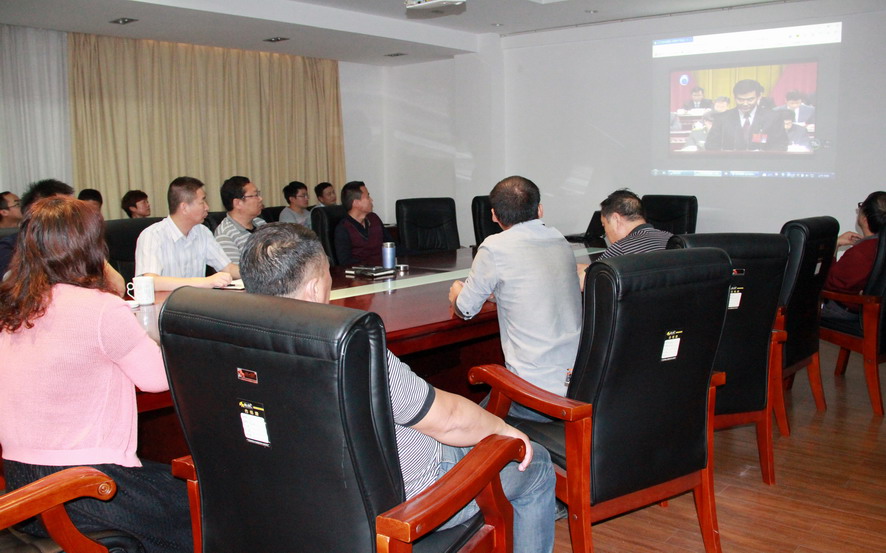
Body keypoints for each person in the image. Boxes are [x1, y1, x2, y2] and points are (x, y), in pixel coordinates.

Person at [240, 223, 556, 553]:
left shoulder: (229, 350)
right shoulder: (350, 352)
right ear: (315, 288)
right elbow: (449, 421)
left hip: (304, 505)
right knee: (536, 464)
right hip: (411, 503)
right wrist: (504, 431)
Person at [0, 196, 191, 553]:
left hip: (22, 488)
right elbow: (158, 379)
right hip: (83, 488)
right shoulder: (101, 309)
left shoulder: (13, 304)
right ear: (90, 247)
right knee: (208, 502)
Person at [448, 176, 581, 402]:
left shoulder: (494, 247)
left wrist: (456, 294)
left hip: (534, 390)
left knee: (466, 417)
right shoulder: (559, 239)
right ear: (540, 210)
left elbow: (466, 309)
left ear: (494, 215)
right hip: (579, 380)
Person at [135, 176, 239, 291]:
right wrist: (204, 282)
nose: (207, 207)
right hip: (165, 302)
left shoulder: (202, 232)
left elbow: (228, 268)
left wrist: (253, 274)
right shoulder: (152, 235)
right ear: (184, 207)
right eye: (202, 202)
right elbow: (151, 282)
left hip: (195, 301)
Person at [821, 192, 886, 320]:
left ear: (865, 219)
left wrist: (834, 245)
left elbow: (829, 283)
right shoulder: (876, 247)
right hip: (874, 314)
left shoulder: (863, 252)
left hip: (848, 313)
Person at [704, 79, 789, 152]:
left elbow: (781, 144)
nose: (745, 103)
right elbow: (711, 145)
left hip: (762, 163)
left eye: (750, 99)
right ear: (734, 97)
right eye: (740, 99)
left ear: (759, 97)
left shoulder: (773, 118)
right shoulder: (722, 118)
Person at [334, 180, 395, 266]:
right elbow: (345, 262)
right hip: (362, 272)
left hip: (384, 269)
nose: (371, 200)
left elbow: (392, 245)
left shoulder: (374, 219)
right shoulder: (343, 228)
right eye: (367, 197)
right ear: (356, 203)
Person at [213, 176, 266, 264]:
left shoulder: (261, 223)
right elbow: (236, 270)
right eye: (255, 195)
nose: (260, 199)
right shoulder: (225, 235)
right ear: (238, 203)